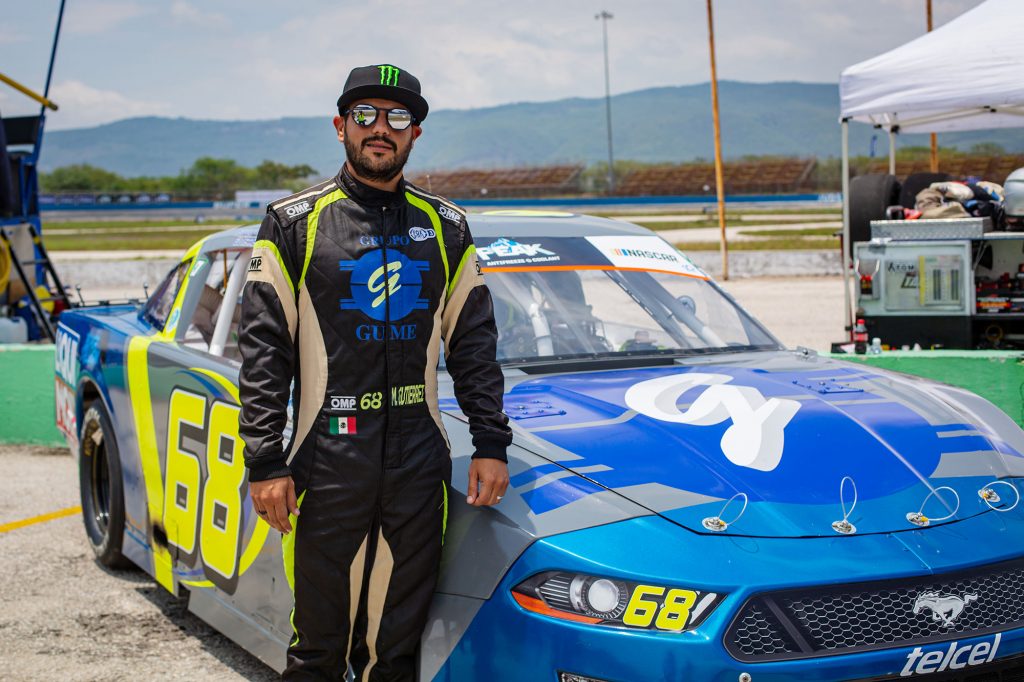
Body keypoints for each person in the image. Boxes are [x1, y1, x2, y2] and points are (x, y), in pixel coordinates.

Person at [237, 63, 512, 681]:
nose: (379, 129)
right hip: (325, 461)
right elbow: (262, 350)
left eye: (396, 117)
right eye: (365, 116)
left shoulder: (447, 227)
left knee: (397, 648)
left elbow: (473, 345)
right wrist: (265, 460)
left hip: (418, 462)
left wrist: (491, 441)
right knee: (319, 645)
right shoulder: (293, 223)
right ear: (341, 127)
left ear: (415, 133)